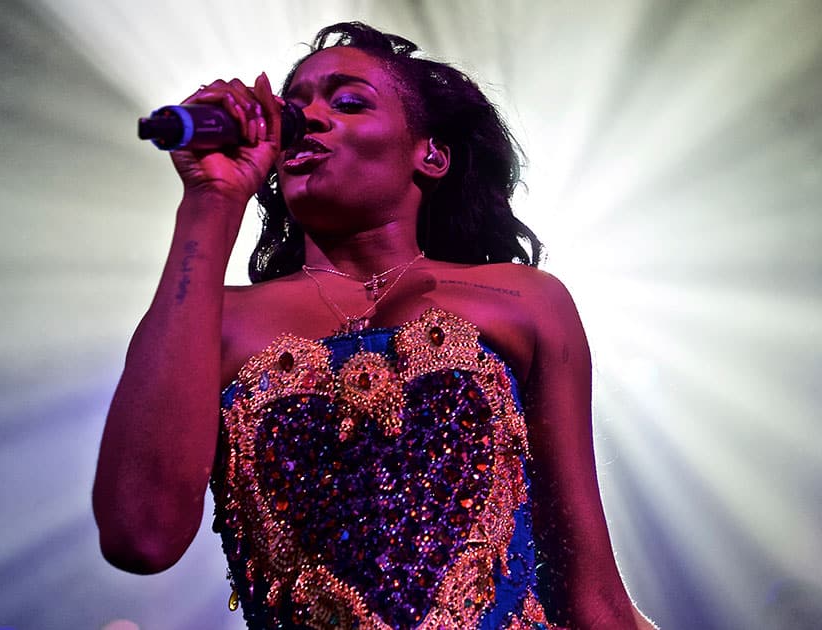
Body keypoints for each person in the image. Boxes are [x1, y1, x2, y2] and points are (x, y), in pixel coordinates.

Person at [93, 21, 657, 630]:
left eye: (347, 101)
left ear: (430, 154)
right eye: (294, 105)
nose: (308, 117)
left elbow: (588, 587)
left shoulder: (524, 300)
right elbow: (140, 536)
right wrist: (211, 199)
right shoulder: (215, 319)